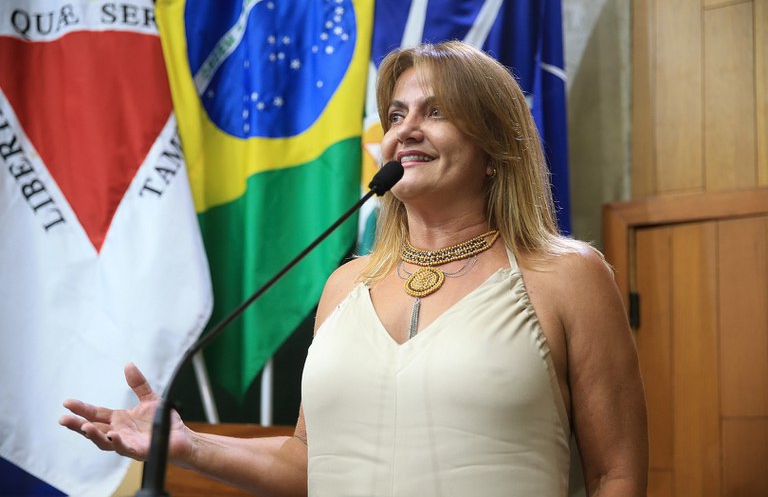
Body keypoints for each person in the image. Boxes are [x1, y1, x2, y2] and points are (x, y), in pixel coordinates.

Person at [60, 40, 648, 496]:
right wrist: (188, 444)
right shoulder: (346, 284)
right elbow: (309, 462)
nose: (405, 130)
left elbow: (615, 474)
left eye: (436, 112)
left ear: (494, 149)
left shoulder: (566, 276)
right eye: (396, 114)